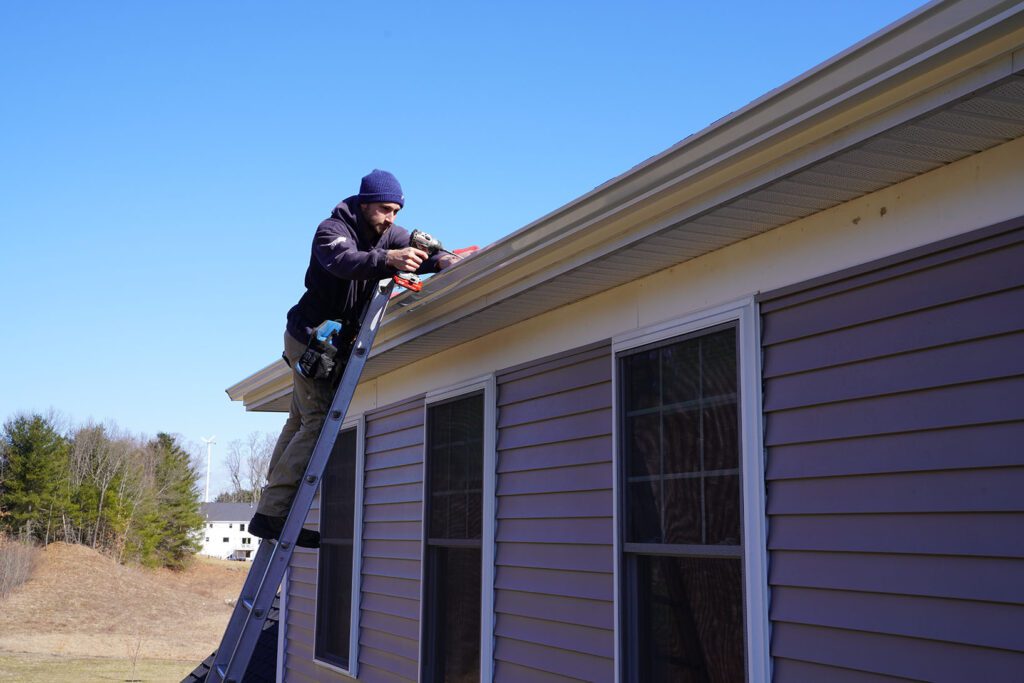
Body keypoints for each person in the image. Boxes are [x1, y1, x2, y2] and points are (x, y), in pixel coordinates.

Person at [249, 169, 460, 547]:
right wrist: (390, 259)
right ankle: (274, 514)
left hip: (329, 341)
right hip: (311, 338)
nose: (391, 218)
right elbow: (346, 262)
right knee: (314, 423)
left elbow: (418, 250)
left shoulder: (387, 232)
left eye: (396, 211)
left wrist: (440, 260)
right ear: (364, 204)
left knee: (299, 419)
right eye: (384, 209)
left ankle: (270, 509)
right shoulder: (332, 230)